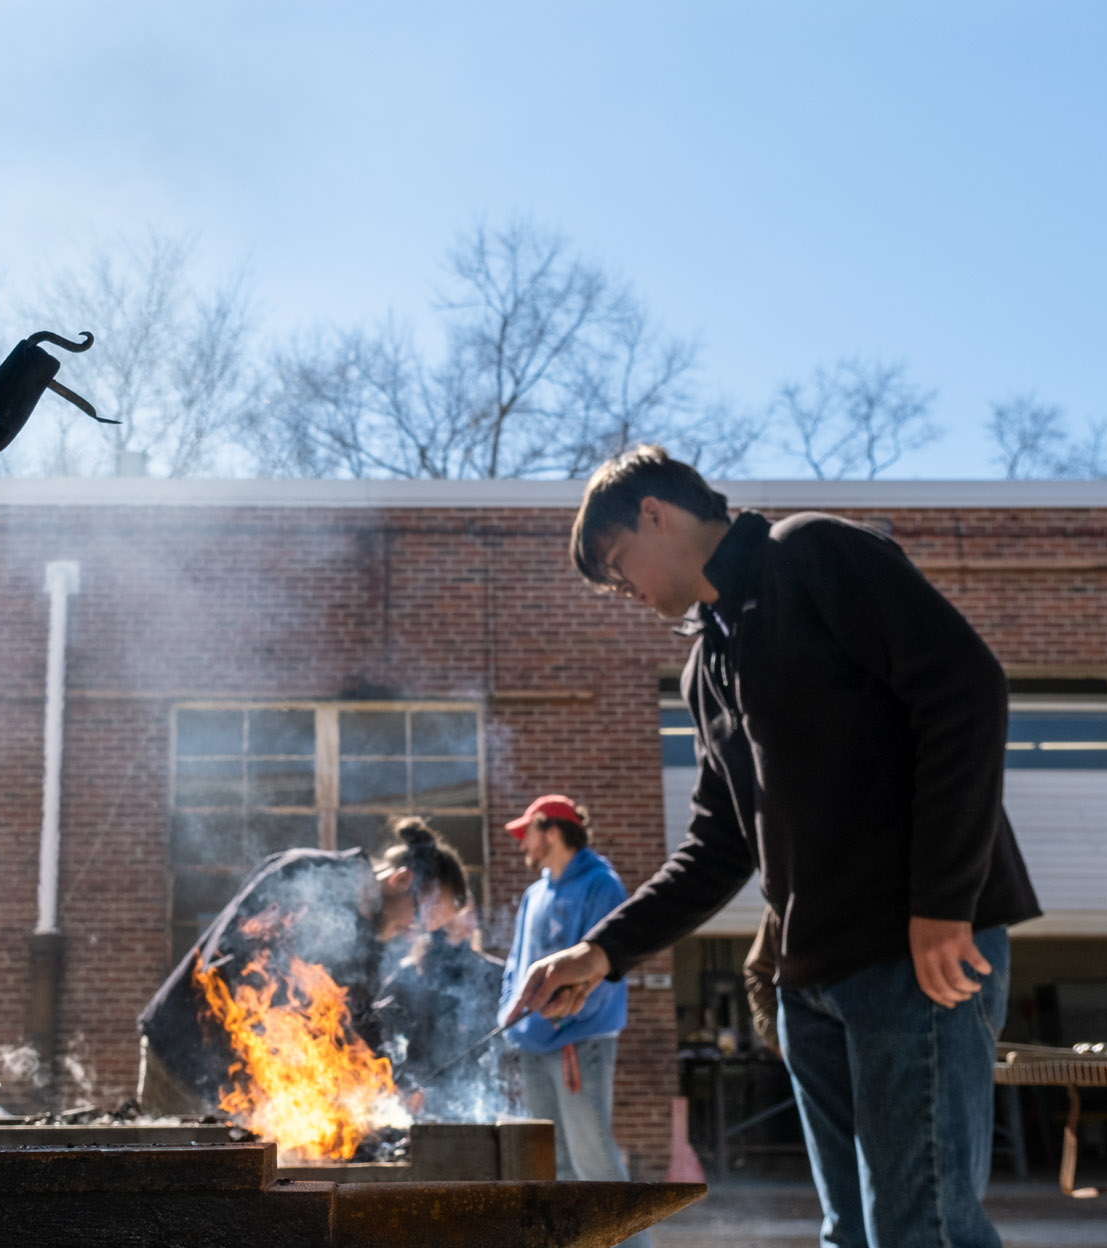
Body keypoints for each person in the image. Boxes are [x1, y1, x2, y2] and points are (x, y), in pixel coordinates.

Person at [511, 445, 1040, 1248]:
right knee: (852, 1233)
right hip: (811, 986)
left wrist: (942, 901)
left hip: (913, 959)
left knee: (921, 1231)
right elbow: (718, 846)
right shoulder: (707, 664)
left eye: (619, 564)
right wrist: (600, 952)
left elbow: (965, 689)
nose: (622, 591)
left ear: (657, 513)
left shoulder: (813, 552)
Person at [138, 817, 468, 1115]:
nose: (414, 936)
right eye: (420, 922)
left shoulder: (370, 950)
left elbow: (359, 1024)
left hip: (243, 1086)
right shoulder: (308, 875)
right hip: (183, 1057)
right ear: (401, 880)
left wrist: (395, 1082)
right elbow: (243, 963)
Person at [497, 794, 643, 1194]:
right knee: (551, 1170)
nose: (521, 843)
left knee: (595, 1168)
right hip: (532, 1048)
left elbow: (604, 971)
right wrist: (507, 1014)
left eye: (527, 832)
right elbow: (516, 964)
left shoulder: (602, 885)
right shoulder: (534, 895)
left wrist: (558, 1014)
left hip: (579, 1046)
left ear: (554, 830)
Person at [375, 903, 507, 1121]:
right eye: (466, 912)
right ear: (441, 917)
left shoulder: (492, 973)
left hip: (477, 1093)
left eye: (474, 914)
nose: (473, 921)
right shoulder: (408, 975)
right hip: (423, 1094)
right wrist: (405, 1084)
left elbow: (505, 1037)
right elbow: (382, 1032)